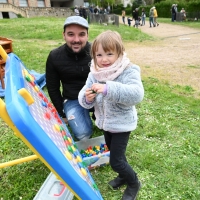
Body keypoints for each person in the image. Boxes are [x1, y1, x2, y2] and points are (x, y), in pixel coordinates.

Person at [78, 30, 144, 200]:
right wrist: (86, 97)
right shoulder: (94, 73)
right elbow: (84, 97)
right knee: (117, 156)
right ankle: (123, 176)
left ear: (119, 53)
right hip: (105, 124)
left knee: (115, 161)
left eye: (109, 53)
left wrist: (109, 88)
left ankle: (134, 183)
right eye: (99, 54)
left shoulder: (128, 70)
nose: (104, 59)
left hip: (122, 125)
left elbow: (137, 94)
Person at [46, 16, 93, 141]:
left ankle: (96, 116)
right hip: (72, 99)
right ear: (64, 35)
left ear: (87, 35)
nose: (76, 40)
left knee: (111, 127)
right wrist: (62, 112)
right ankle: (81, 116)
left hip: (96, 97)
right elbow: (52, 87)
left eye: (81, 34)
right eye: (71, 34)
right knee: (83, 135)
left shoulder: (97, 52)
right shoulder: (54, 56)